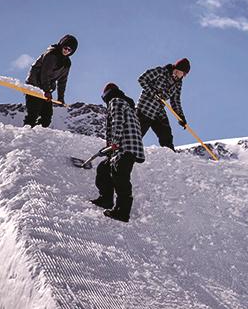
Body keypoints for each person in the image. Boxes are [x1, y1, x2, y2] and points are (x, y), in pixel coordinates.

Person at [91, 83, 145, 223]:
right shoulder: (126, 104)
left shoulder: (115, 101)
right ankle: (106, 199)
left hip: (125, 147)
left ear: (107, 94)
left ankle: (122, 212)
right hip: (125, 147)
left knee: (120, 177)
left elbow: (117, 121)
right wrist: (110, 150)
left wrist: (114, 142)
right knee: (104, 168)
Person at [136, 58, 191, 151]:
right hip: (145, 109)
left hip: (158, 111)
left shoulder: (178, 84)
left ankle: (170, 155)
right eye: (184, 73)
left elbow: (175, 101)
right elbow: (142, 79)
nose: (184, 76)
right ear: (178, 70)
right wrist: (153, 92)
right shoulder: (161, 72)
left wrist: (180, 116)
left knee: (166, 135)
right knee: (136, 135)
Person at [24, 34, 78, 127]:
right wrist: (47, 91)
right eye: (65, 48)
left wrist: (61, 97)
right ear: (61, 45)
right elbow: (45, 74)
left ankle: (37, 136)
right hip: (35, 85)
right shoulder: (51, 55)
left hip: (46, 89)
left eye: (69, 50)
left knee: (46, 117)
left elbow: (62, 81)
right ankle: (25, 134)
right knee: (33, 113)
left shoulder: (67, 63)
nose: (66, 51)